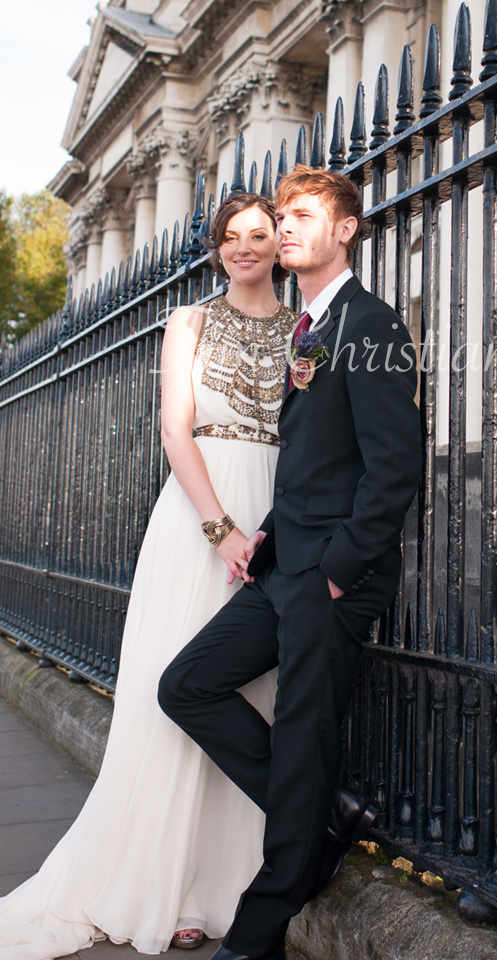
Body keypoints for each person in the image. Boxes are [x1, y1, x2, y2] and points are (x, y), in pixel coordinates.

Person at [0, 192, 296, 959]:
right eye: (229, 236)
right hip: (200, 516)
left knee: (252, 694)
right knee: (181, 691)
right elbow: (174, 428)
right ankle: (173, 888)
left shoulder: (307, 332)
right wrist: (220, 530)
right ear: (216, 247)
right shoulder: (187, 322)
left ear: (279, 243)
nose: (242, 247)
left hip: (278, 510)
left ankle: (234, 882)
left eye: (257, 235)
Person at [158, 166, 422, 960]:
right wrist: (269, 542)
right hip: (286, 563)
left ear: (344, 229)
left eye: (302, 216)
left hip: (330, 576)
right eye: (283, 216)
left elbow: (393, 467)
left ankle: (257, 935)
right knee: (187, 686)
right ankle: (324, 818)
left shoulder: (369, 324)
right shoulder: (311, 325)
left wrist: (338, 570)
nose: (286, 228)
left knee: (303, 738)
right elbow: (314, 462)